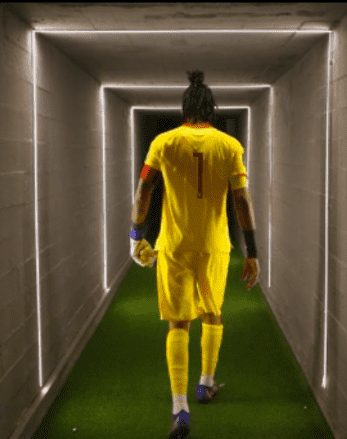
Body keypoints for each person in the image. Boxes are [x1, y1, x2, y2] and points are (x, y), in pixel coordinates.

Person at [129, 70, 259, 439]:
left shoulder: (163, 143)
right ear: (212, 109)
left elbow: (144, 192)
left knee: (178, 324)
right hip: (215, 246)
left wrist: (135, 234)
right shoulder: (230, 146)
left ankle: (180, 408)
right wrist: (253, 251)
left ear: (184, 109)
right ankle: (206, 383)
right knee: (213, 313)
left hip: (173, 245)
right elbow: (242, 199)